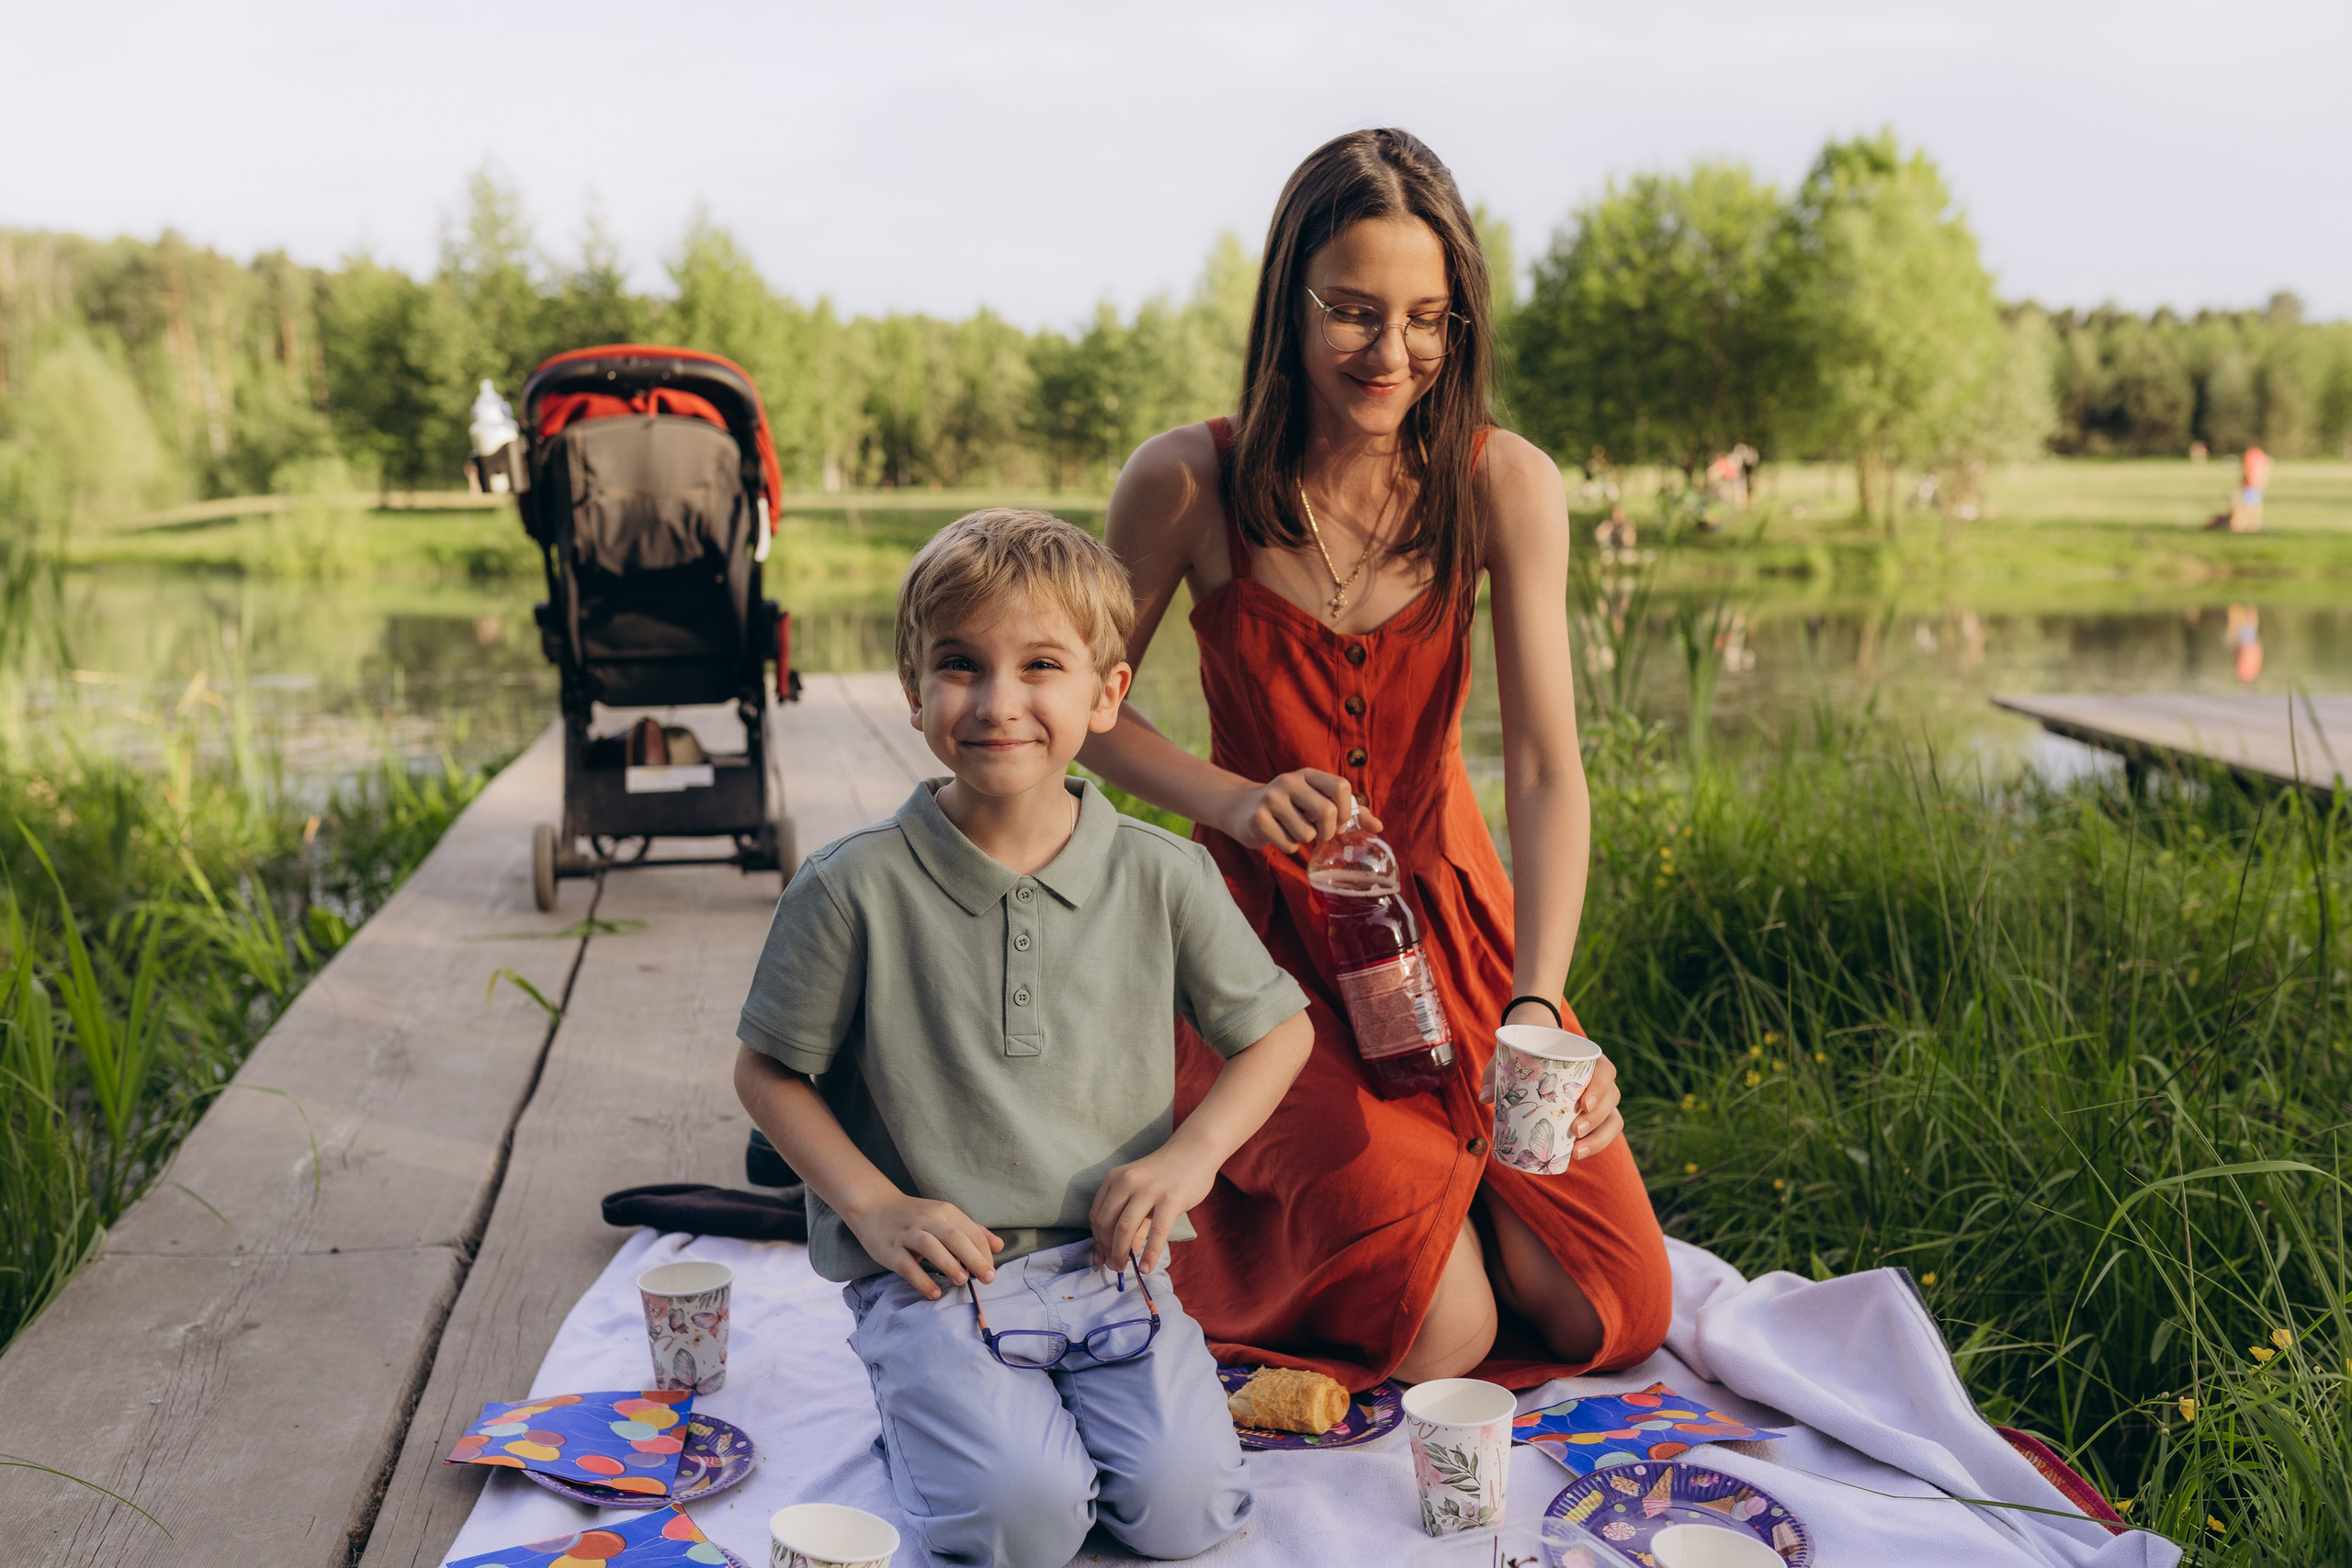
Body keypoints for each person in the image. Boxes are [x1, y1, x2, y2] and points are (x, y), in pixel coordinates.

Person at [1080, 129, 1672, 1392]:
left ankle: (1443, 1195)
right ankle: (1355, 1215)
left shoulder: (1504, 482)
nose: (1391, 354)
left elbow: (1550, 772)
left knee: (1605, 1302)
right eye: (1352, 311)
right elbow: (1081, 705)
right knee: (1443, 1324)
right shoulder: (1188, 480)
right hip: (1255, 953)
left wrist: (1541, 1010)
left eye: (1426, 319)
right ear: (1288, 299)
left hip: (1452, 935)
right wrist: (1232, 800)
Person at [733, 510, 1315, 1568]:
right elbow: (769, 1072)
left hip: (1112, 1263)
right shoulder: (850, 888)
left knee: (1187, 1514)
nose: (999, 702)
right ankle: (920, 1400)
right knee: (1027, 1526)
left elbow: (1277, 1036)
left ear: (1106, 695)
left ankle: (1032, 1421)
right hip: (940, 1273)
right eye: (960, 665)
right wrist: (874, 1207)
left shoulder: (1166, 876)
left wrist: (1189, 1160)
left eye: (1040, 665)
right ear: (913, 692)